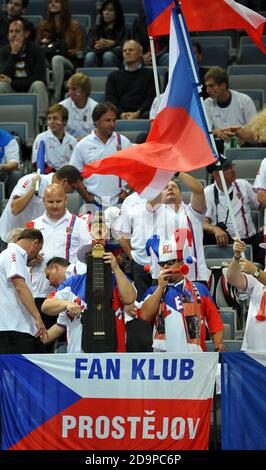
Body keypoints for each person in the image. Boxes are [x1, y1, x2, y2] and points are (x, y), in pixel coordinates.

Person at [41, 247, 137, 353]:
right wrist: (66, 303)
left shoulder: (118, 280)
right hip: (78, 356)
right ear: (87, 262)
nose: (97, 262)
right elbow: (46, 306)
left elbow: (129, 298)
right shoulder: (73, 282)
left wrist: (116, 268)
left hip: (113, 356)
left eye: (101, 257)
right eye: (92, 258)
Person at [139, 236, 224, 352]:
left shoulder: (200, 289)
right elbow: (144, 316)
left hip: (195, 358)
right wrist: (160, 287)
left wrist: (218, 344)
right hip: (164, 358)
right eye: (162, 264)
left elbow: (215, 322)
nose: (165, 267)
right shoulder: (153, 291)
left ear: (181, 263)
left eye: (169, 262)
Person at [26, 184, 91, 330]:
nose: (55, 205)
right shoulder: (33, 225)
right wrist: (30, 260)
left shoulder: (79, 224)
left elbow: (88, 257)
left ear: (66, 200)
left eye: (58, 201)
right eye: (50, 202)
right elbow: (23, 259)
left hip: (71, 294)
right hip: (40, 292)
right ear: (44, 201)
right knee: (42, 343)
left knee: (71, 339)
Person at [0, 165, 86, 245]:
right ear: (65, 182)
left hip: (31, 240)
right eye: (73, 187)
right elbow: (15, 209)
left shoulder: (60, 195)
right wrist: (33, 189)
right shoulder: (31, 179)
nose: (72, 192)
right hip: (10, 237)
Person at [204, 155, 264, 265]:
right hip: (225, 243)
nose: (232, 170)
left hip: (249, 240)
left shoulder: (243, 185)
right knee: (204, 234)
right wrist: (215, 229)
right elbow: (203, 223)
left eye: (231, 166)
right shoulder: (208, 192)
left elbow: (262, 203)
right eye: (227, 168)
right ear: (216, 174)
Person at [70, 101, 132, 207]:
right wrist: (87, 197)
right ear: (96, 121)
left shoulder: (124, 142)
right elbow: (74, 174)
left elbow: (135, 170)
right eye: (107, 120)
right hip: (93, 204)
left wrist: (127, 191)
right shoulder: (83, 145)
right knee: (96, 224)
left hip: (120, 203)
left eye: (114, 120)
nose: (112, 124)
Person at [0, 228, 47, 354]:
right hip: (13, 328)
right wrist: (38, 318)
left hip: (16, 328)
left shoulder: (14, 257)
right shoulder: (13, 254)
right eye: (39, 249)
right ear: (35, 243)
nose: (37, 253)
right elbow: (20, 287)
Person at [36, 0, 84, 103]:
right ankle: (45, 94)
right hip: (47, 60)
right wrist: (42, 44)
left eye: (56, 1)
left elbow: (80, 50)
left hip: (68, 61)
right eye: (50, 2)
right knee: (41, 60)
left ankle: (56, 96)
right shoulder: (42, 26)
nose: (52, 4)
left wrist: (64, 51)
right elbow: (36, 49)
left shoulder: (74, 25)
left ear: (64, 4)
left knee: (57, 59)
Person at [0, 18, 49, 119]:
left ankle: (42, 122)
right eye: (11, 31)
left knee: (38, 85)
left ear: (26, 34)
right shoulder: (4, 51)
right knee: (1, 85)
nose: (13, 34)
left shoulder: (36, 50)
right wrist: (13, 54)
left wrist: (12, 81)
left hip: (30, 89)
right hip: (11, 90)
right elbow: (2, 76)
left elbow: (40, 78)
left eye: (17, 31)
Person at [227, 238, 266, 351]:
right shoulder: (258, 277)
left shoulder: (257, 274)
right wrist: (237, 257)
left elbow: (258, 274)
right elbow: (233, 278)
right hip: (253, 349)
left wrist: (255, 271)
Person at [204, 66, 257, 147]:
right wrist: (215, 132)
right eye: (206, 86)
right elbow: (204, 132)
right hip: (219, 149)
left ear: (223, 86)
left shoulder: (245, 101)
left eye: (211, 86)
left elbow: (256, 134)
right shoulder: (207, 103)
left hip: (243, 148)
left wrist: (245, 135)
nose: (207, 90)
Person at [105, 39, 156, 119]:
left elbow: (152, 98)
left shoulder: (151, 75)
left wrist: (138, 112)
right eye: (124, 51)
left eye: (131, 50)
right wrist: (121, 114)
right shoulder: (113, 76)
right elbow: (111, 99)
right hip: (119, 116)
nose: (127, 52)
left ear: (140, 53)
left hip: (143, 114)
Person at [31, 104, 77, 172]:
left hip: (68, 176)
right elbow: (36, 163)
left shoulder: (73, 141)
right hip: (47, 176)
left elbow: (76, 163)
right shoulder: (41, 138)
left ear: (64, 121)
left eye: (55, 118)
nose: (51, 122)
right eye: (49, 118)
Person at [84, 0, 130, 68]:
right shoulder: (95, 29)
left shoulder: (124, 30)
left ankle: (112, 78)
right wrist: (95, 47)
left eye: (110, 10)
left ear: (117, 12)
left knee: (108, 55)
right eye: (104, 10)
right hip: (97, 59)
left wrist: (114, 43)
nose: (106, 13)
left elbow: (126, 49)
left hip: (116, 61)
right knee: (89, 56)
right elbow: (87, 48)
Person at [60, 72, 98, 140]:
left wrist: (84, 140)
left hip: (90, 145)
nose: (70, 93)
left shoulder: (96, 108)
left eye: (74, 89)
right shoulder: (62, 107)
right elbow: (56, 132)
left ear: (85, 91)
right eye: (69, 89)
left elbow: (99, 133)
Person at [0, 126, 21, 197]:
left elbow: (14, 163)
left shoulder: (8, 139)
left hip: (2, 173)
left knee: (16, 174)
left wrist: (2, 167)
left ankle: (11, 203)